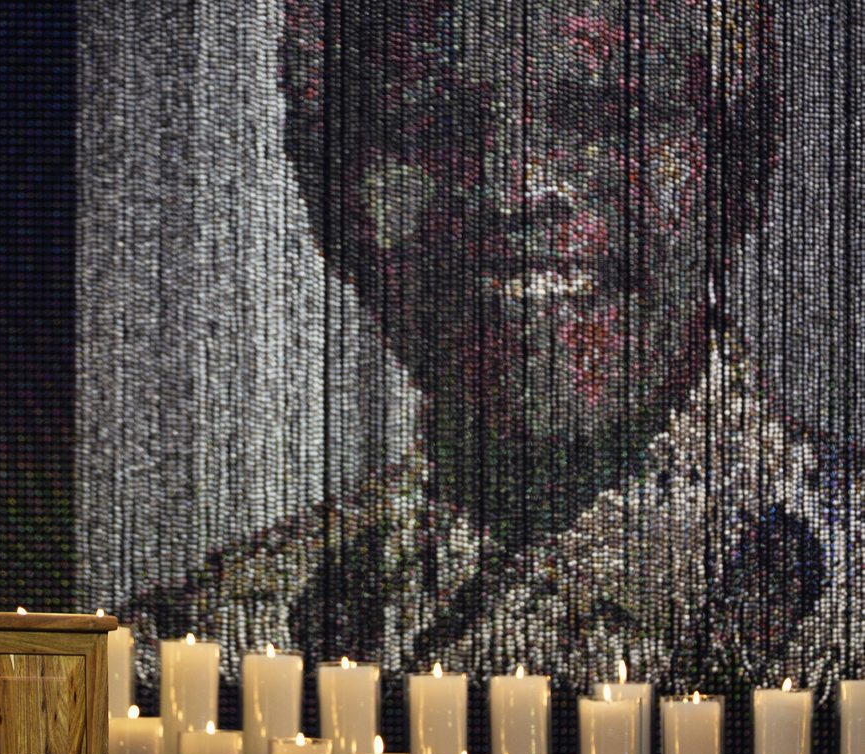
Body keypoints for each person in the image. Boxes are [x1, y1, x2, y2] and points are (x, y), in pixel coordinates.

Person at [121, 0, 858, 699]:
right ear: (329, 203)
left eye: (608, 117)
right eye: (432, 127)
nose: (517, 187)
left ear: (738, 173)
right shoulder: (206, 650)